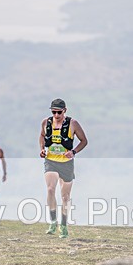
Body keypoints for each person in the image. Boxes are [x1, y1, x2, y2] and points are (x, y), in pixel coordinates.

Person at [39, 98, 88, 238]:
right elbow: (42, 136)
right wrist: (42, 149)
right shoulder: (46, 122)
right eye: (53, 112)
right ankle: (53, 222)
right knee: (50, 189)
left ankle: (64, 225)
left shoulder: (73, 124)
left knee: (65, 196)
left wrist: (73, 152)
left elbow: (84, 141)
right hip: (51, 161)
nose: (56, 115)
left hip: (66, 164)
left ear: (65, 110)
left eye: (59, 112)